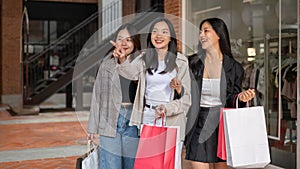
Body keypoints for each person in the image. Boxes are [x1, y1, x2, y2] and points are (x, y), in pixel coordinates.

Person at [112, 17, 191, 168]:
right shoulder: (144, 58)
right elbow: (130, 73)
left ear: (171, 37)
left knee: (169, 164)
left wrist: (170, 104)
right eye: (154, 31)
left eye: (164, 32)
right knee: (148, 164)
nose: (158, 35)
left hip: (171, 119)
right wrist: (122, 59)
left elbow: (187, 99)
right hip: (147, 117)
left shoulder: (181, 62)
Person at [184, 18, 255, 169]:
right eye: (200, 31)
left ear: (219, 35)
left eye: (206, 30)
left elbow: (231, 98)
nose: (201, 34)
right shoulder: (193, 63)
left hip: (222, 123)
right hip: (198, 121)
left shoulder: (234, 68)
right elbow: (185, 93)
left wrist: (240, 97)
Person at [87, 23, 141, 169]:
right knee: (112, 165)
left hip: (133, 122)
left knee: (131, 165)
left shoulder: (142, 63)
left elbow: (135, 77)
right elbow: (97, 96)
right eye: (120, 39)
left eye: (129, 40)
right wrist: (92, 127)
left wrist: (122, 61)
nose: (124, 43)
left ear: (135, 43)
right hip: (109, 119)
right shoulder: (106, 65)